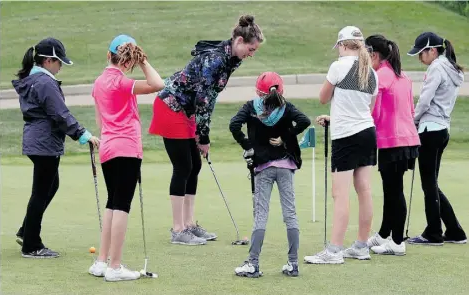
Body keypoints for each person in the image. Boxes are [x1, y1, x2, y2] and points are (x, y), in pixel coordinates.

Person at [148, 15, 264, 246]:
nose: (251, 54)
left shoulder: (232, 59)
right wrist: (204, 135)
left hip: (188, 110)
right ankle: (178, 230)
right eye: (250, 49)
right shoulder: (215, 60)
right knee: (183, 166)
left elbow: (210, 97)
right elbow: (203, 99)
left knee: (195, 165)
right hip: (171, 106)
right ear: (239, 41)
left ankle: (189, 224)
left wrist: (202, 133)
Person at [12, 38, 100, 258]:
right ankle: (31, 244)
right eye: (59, 62)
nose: (61, 67)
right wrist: (83, 135)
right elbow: (60, 114)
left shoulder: (35, 80)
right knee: (42, 191)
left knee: (50, 185)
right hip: (44, 143)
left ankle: (27, 230)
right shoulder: (45, 82)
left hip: (38, 141)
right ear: (49, 60)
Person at [88, 34, 165, 282]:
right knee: (122, 205)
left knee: (113, 203)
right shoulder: (122, 83)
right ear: (128, 60)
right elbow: (157, 84)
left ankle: (102, 262)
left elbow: (100, 122)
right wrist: (144, 62)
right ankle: (115, 266)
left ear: (108, 55)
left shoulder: (99, 82)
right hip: (126, 148)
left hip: (108, 148)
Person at [303, 26, 378, 265]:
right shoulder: (372, 73)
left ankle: (334, 251)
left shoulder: (339, 66)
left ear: (343, 45)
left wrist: (336, 116)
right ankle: (361, 246)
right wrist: (335, 118)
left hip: (346, 136)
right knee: (364, 190)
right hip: (367, 132)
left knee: (340, 193)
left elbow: (323, 98)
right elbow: (366, 109)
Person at [229, 72, 310, 278]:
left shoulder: (251, 106)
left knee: (261, 215)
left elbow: (234, 125)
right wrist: (286, 137)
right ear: (281, 90)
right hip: (285, 166)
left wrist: (248, 145)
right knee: (290, 214)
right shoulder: (287, 107)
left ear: (258, 91)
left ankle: (253, 263)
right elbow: (304, 121)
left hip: (263, 167)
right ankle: (293, 264)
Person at [406, 32, 466, 246]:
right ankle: (455, 231)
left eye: (421, 53)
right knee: (431, 183)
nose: (419, 58)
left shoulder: (437, 68)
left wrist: (412, 120)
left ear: (432, 50)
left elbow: (424, 101)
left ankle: (433, 233)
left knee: (428, 184)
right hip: (442, 129)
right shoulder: (450, 68)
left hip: (430, 129)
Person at [363, 34, 421, 256]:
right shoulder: (401, 74)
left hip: (393, 141)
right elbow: (411, 110)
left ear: (374, 55)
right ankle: (384, 233)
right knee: (392, 189)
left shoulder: (380, 76)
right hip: (407, 139)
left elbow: (373, 111)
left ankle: (397, 242)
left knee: (394, 190)